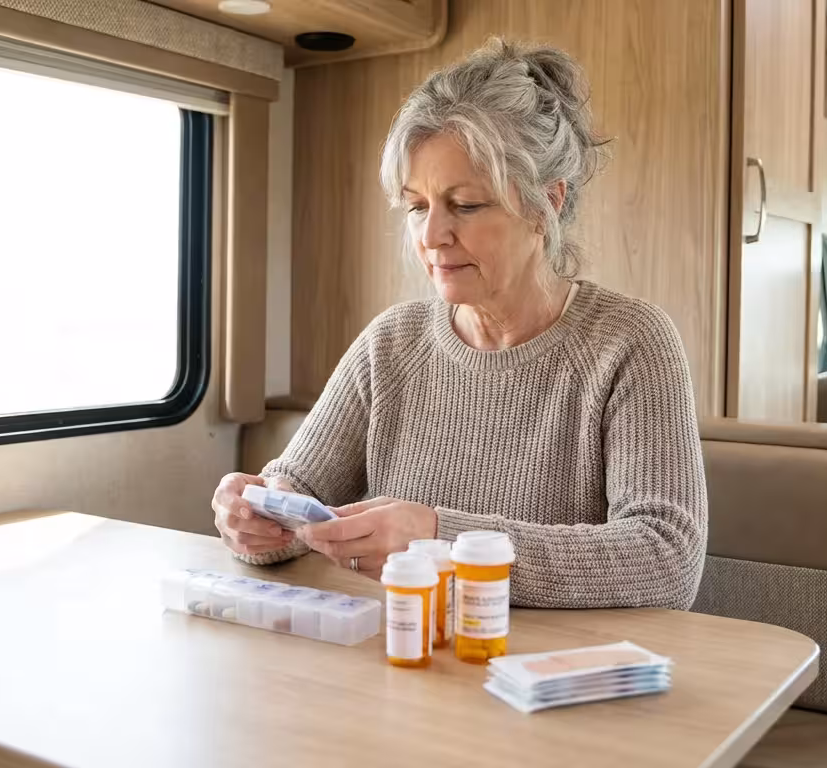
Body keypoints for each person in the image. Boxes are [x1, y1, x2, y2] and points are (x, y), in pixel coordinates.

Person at [210, 38, 707, 610]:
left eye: (465, 205)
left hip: (546, 663)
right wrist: (254, 516)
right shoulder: (391, 343)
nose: (431, 236)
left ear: (546, 204)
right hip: (406, 650)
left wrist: (440, 541)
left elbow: (667, 558)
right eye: (417, 206)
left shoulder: (631, 342)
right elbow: (297, 494)